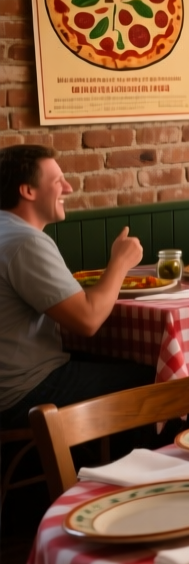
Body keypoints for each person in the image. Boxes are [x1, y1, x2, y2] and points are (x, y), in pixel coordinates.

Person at [0, 145, 152, 429]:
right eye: (58, 181)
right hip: (21, 393)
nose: (69, 188)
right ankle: (132, 470)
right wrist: (120, 262)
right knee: (158, 380)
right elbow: (88, 320)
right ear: (28, 192)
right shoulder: (26, 242)